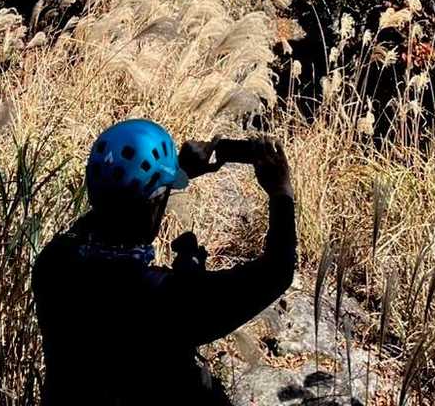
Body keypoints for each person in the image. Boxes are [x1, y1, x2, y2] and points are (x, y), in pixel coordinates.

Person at [32, 120, 297, 405]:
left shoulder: (53, 263)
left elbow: (113, 208)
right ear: (155, 204)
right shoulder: (167, 300)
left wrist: (174, 173)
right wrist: (281, 193)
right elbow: (277, 271)